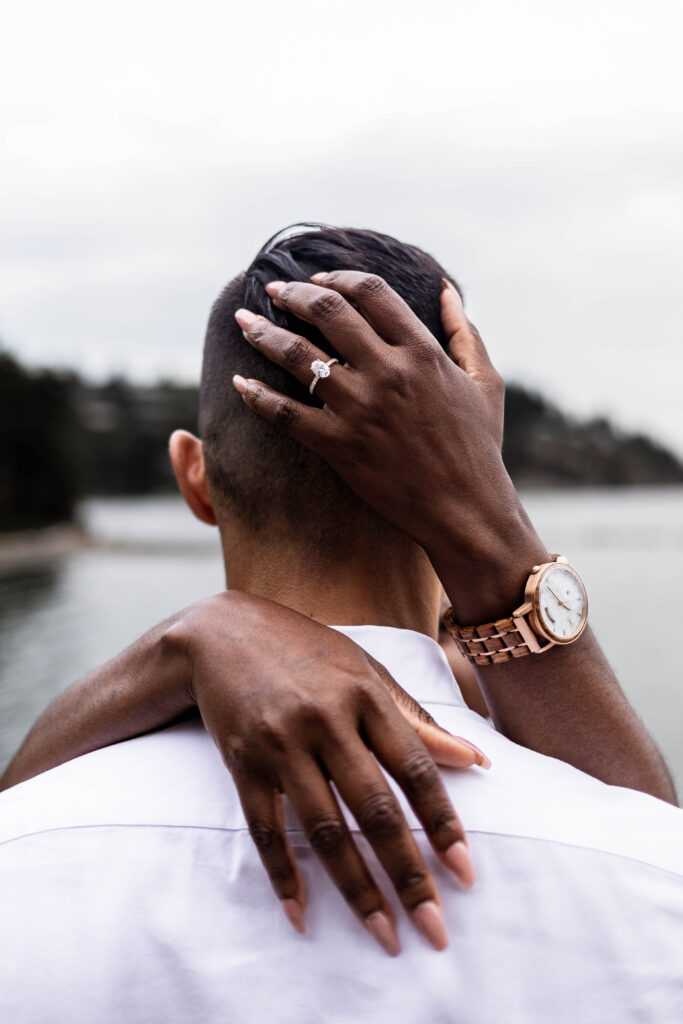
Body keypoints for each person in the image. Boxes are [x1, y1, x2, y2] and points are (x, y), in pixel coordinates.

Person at [1, 225, 681, 1024]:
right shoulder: (645, 874)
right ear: (476, 467)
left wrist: (183, 639)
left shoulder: (24, 852)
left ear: (196, 476)